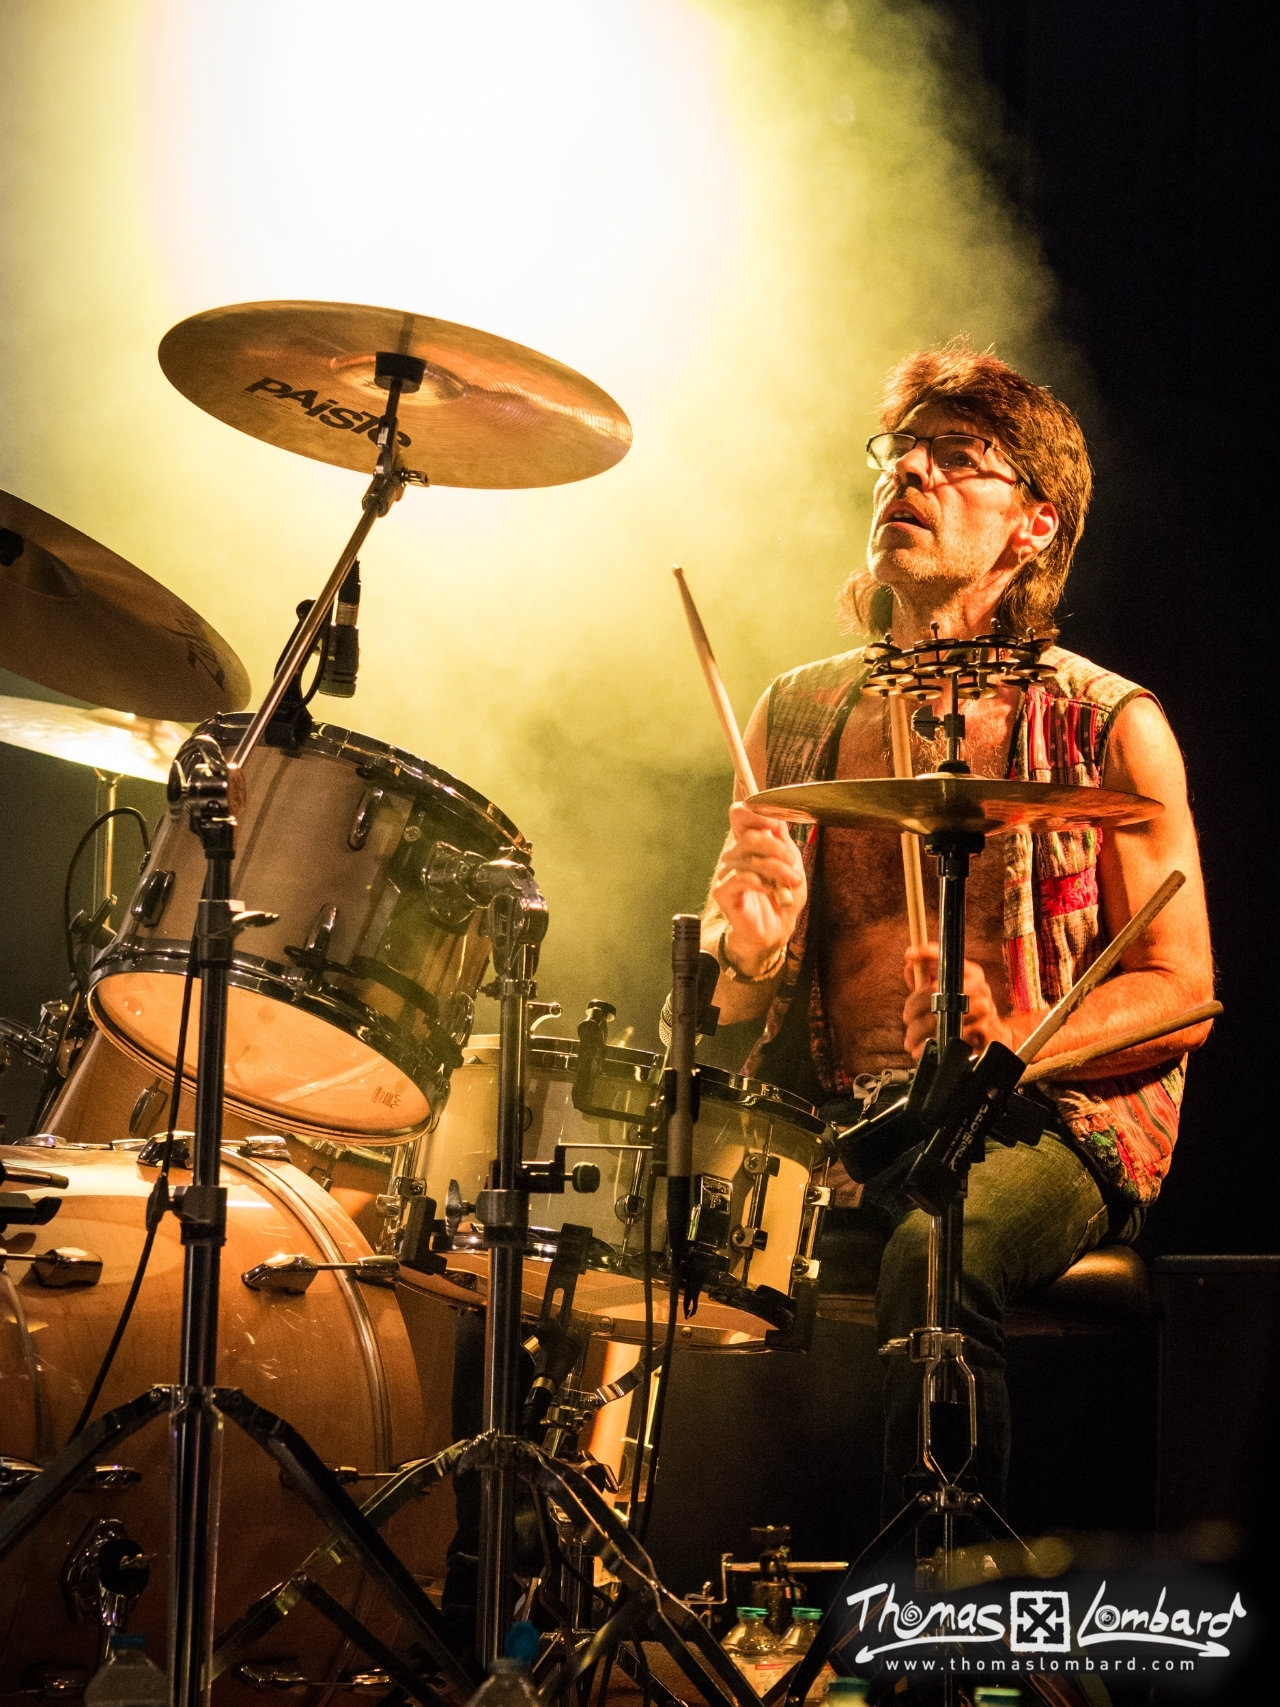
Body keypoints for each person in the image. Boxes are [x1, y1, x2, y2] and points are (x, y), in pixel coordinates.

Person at [702, 345, 1214, 1511]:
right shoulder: (797, 712)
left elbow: (1180, 989)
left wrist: (1013, 1044)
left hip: (1051, 1120)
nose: (908, 475)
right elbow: (727, 994)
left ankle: (943, 1593)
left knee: (937, 1249)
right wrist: (748, 944)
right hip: (841, 1117)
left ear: (1032, 526)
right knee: (627, 1232)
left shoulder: (1107, 724)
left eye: (954, 458)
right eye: (898, 453)